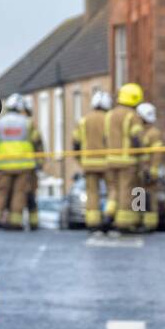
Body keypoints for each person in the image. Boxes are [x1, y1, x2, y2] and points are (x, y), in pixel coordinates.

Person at [0, 94, 42, 230]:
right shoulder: (28, 122)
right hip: (24, 165)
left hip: (4, 165)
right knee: (19, 193)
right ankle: (15, 222)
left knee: (1, 192)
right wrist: (40, 161)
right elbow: (37, 141)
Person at [105, 83, 144, 233]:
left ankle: (109, 215)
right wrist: (140, 152)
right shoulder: (132, 116)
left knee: (115, 190)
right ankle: (125, 223)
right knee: (127, 191)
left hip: (111, 160)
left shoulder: (110, 115)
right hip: (128, 161)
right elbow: (137, 139)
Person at [73, 89, 113, 230]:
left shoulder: (83, 120)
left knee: (92, 193)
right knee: (113, 189)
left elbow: (76, 142)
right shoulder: (109, 118)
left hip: (89, 163)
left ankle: (93, 222)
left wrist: (80, 159)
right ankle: (109, 215)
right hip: (107, 163)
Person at [136, 102, 163, 233]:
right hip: (139, 170)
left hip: (148, 170)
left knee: (150, 197)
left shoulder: (153, 133)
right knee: (138, 194)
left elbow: (157, 153)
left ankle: (150, 223)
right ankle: (139, 220)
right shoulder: (140, 132)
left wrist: (153, 169)